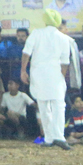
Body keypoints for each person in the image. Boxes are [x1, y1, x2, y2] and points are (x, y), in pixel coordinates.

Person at [21, 9, 72, 150]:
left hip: (38, 74)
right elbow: (65, 62)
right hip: (55, 74)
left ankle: (49, 138)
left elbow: (26, 52)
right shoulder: (63, 38)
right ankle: (59, 137)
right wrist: (61, 77)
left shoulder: (36, 33)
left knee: (43, 106)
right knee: (59, 106)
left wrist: (23, 70)